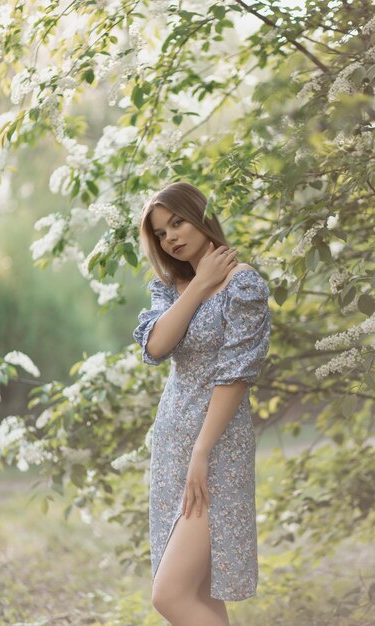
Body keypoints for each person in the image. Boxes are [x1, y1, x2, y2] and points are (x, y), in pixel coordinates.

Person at [132, 181, 271, 626]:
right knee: (195, 592)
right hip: (172, 441)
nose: (170, 236)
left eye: (177, 221)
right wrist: (199, 284)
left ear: (201, 214)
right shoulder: (169, 288)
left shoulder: (244, 284)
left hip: (216, 446)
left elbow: (235, 375)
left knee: (170, 595)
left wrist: (202, 452)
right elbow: (155, 347)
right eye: (160, 232)